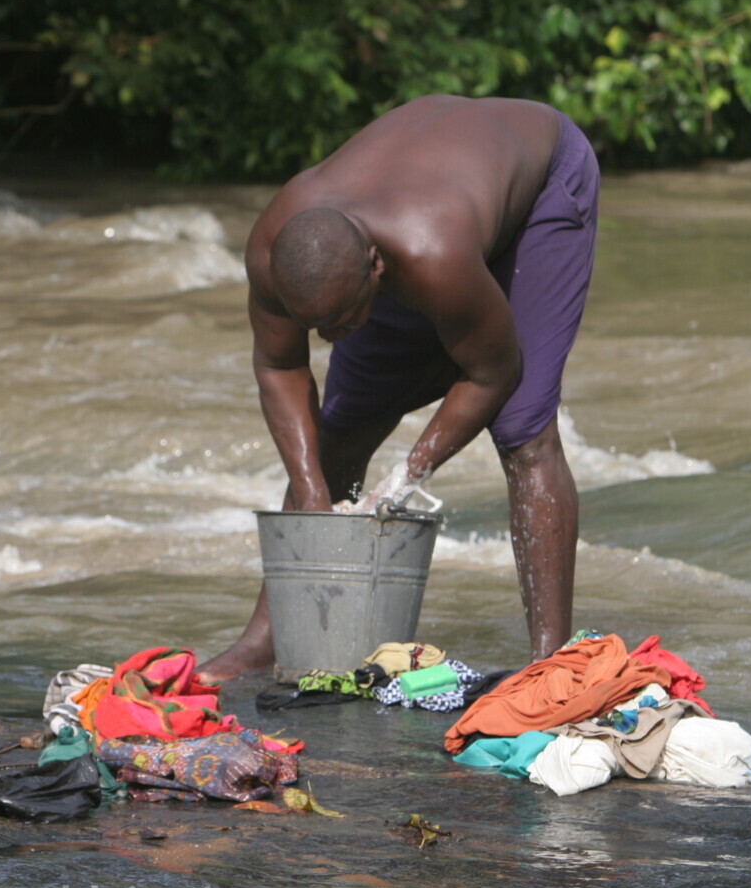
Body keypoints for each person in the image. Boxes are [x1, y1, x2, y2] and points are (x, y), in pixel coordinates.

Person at [198, 95, 599, 681]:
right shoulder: (273, 254)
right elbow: (278, 367)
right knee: (342, 428)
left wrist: (406, 477)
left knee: (522, 426)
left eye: (343, 319)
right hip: (423, 198)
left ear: (375, 269)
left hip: (539, 184)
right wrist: (312, 492)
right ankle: (268, 639)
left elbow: (493, 371)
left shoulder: (433, 254)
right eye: (319, 327)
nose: (333, 339)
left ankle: (549, 663)